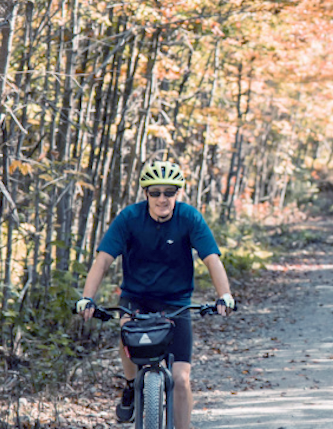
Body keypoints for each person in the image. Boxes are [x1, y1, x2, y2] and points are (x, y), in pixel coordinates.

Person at [75, 160, 235, 429]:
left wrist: (225, 295)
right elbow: (103, 260)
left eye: (169, 192)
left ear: (177, 194)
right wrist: (87, 298)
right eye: (156, 192)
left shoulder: (189, 218)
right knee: (125, 329)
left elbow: (211, 258)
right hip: (136, 298)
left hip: (176, 303)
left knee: (180, 379)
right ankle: (131, 385)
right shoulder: (129, 218)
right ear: (146, 194)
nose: (163, 198)